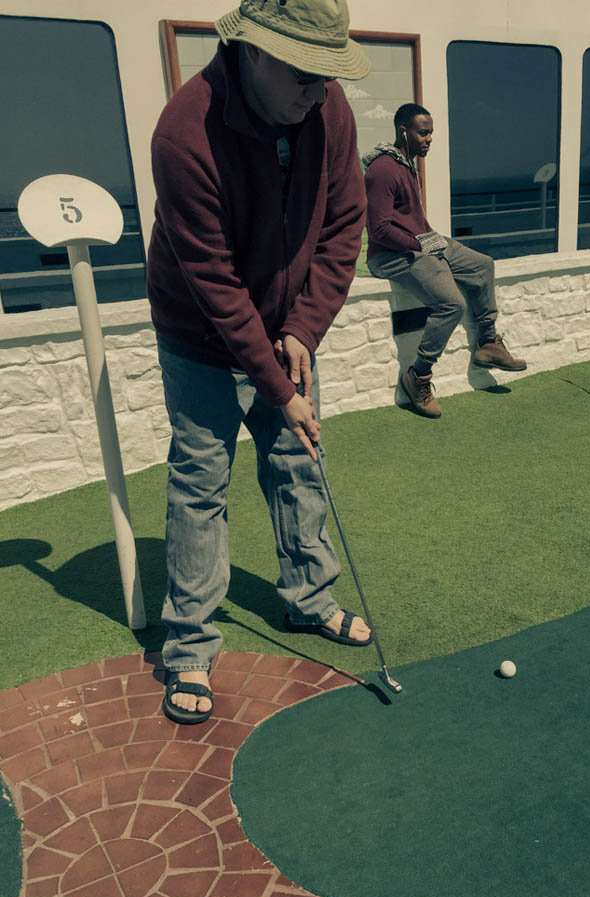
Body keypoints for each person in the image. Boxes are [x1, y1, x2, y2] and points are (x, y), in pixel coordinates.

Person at [146, 0, 372, 725]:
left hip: (286, 329)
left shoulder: (325, 108)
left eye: (327, 74)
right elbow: (212, 280)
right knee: (201, 482)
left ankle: (309, 600)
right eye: (307, 72)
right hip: (201, 334)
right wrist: (279, 388)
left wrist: (305, 327)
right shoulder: (184, 132)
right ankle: (187, 646)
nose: (320, 89)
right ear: (256, 54)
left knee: (299, 465)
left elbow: (344, 224)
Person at [364, 103, 527, 418]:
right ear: (403, 131)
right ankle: (419, 375)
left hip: (420, 242)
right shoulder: (383, 170)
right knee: (451, 304)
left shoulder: (407, 163)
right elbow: (380, 230)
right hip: (390, 255)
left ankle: (488, 343)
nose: (429, 139)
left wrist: (429, 239)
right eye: (423, 133)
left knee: (482, 267)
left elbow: (410, 220)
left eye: (431, 133)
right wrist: (422, 246)